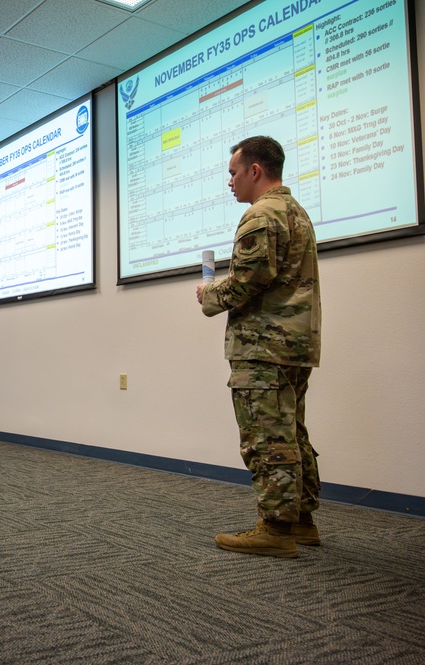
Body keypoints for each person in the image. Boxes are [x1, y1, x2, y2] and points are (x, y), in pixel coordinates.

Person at [196, 136, 322, 558]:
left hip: (263, 346)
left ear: (255, 171)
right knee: (292, 432)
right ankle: (302, 520)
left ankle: (276, 529)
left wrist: (210, 295)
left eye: (233, 173)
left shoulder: (260, 216)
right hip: (295, 344)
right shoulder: (297, 213)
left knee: (266, 437)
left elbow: (250, 280)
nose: (229, 182)